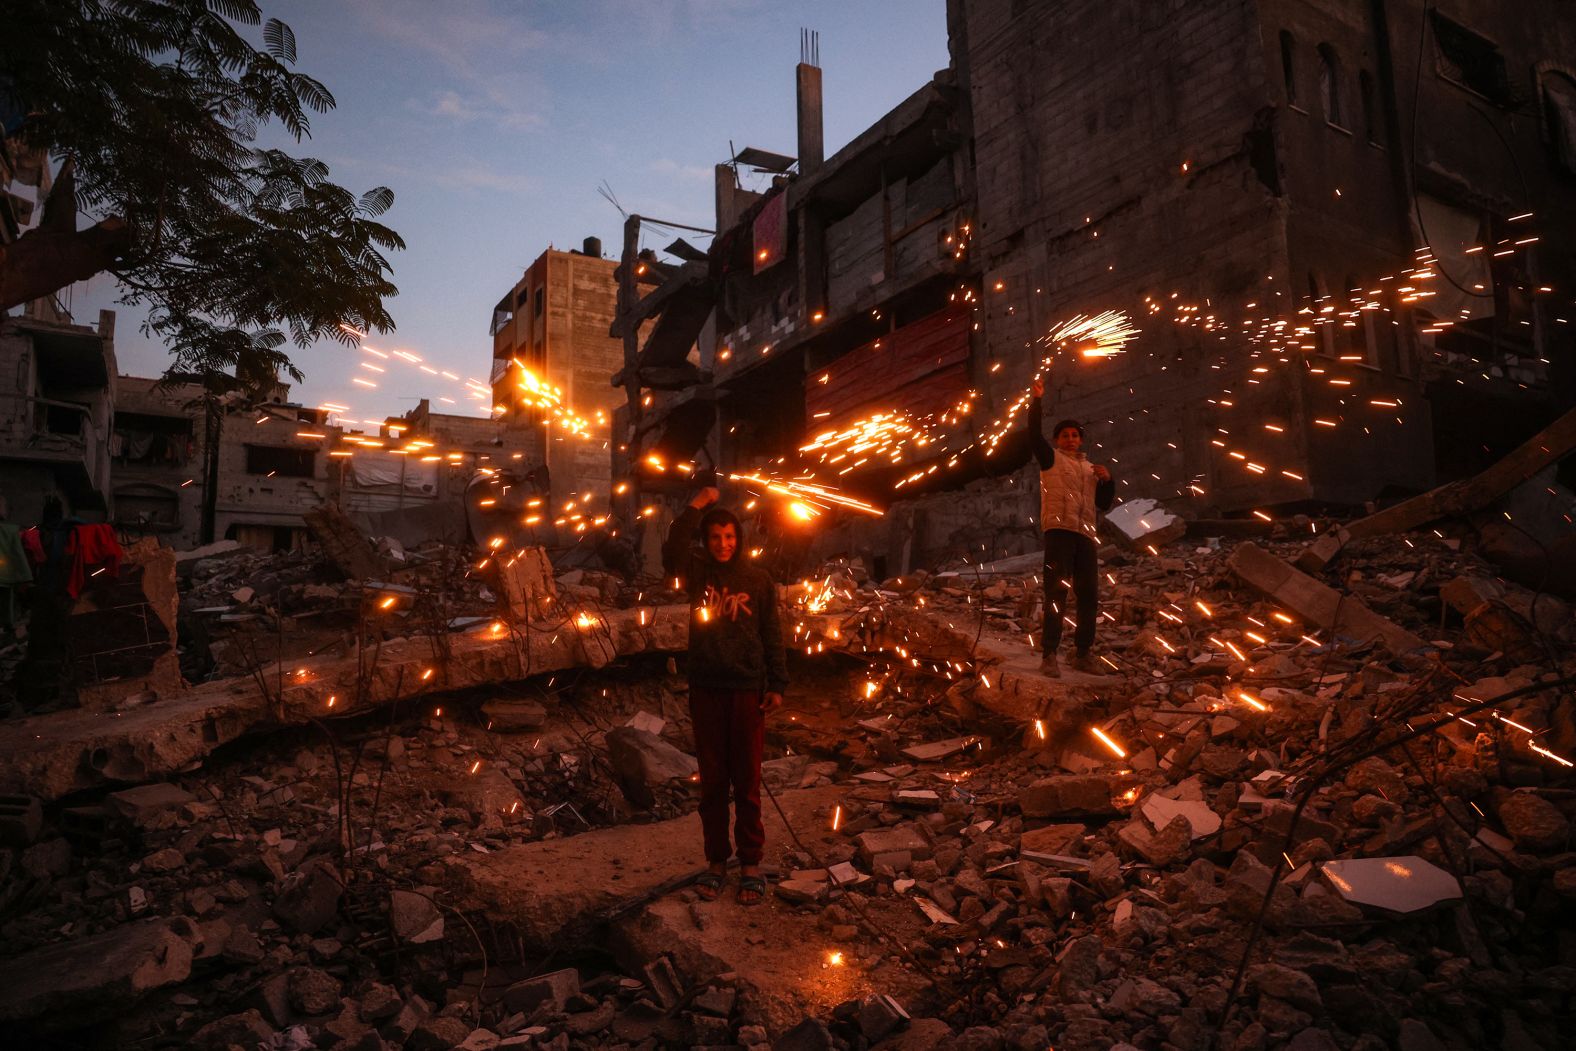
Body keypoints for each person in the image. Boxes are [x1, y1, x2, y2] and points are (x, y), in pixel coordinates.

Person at [662, 482, 787, 904]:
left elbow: (772, 633)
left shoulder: (758, 580)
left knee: (747, 783)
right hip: (707, 690)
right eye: (715, 537)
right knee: (713, 784)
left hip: (748, 691)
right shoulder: (698, 573)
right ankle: (717, 861)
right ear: (706, 540)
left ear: (739, 539)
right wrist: (696, 504)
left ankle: (750, 862)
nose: (722, 544)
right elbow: (673, 547)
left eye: (729, 536)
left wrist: (778, 685)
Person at [1028, 377, 1115, 676]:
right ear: (1056, 441)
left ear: (1081, 439)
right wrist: (1036, 400)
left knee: (1089, 594)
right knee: (1056, 593)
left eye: (1075, 435)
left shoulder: (1091, 469)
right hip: (1059, 532)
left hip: (1085, 536)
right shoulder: (1050, 459)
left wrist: (1108, 480)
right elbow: (1032, 434)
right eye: (1064, 435)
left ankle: (1082, 653)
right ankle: (1049, 655)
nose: (1070, 439)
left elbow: (1103, 504)